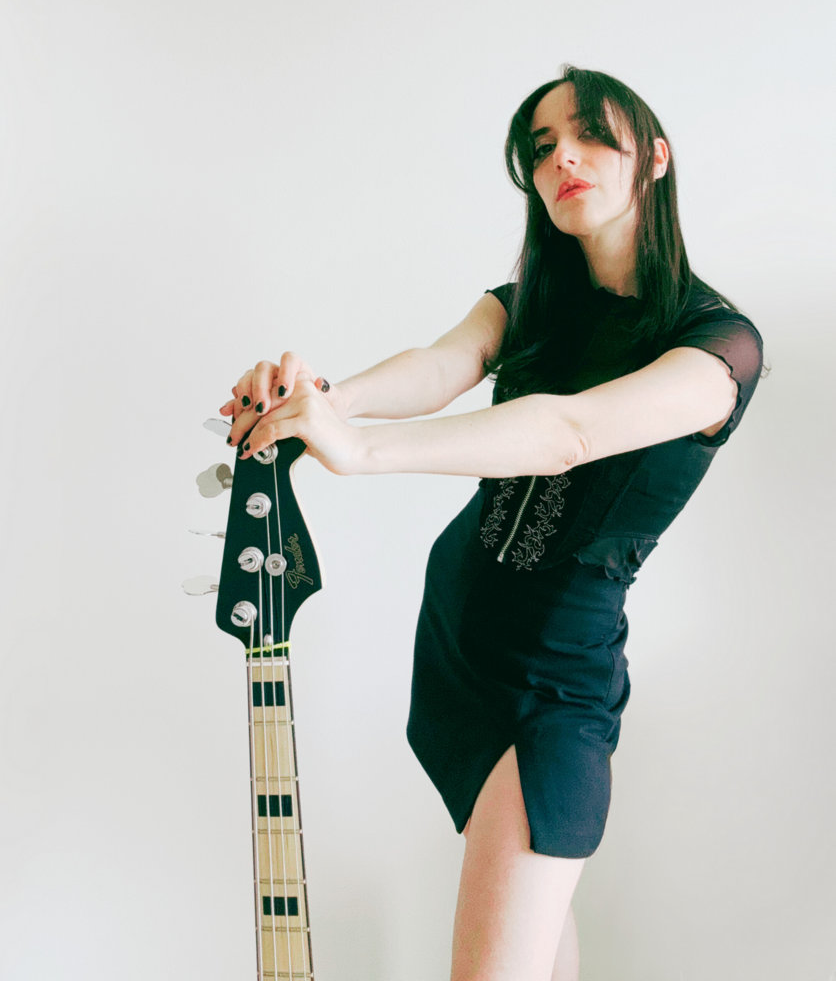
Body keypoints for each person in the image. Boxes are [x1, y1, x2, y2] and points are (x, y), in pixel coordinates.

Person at [219, 65, 766, 981]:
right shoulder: (530, 304)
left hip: (554, 685)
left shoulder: (718, 348)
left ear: (655, 158)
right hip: (461, 652)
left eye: (591, 135)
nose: (564, 160)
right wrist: (316, 402)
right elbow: (444, 363)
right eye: (543, 149)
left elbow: (567, 432)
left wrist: (360, 451)